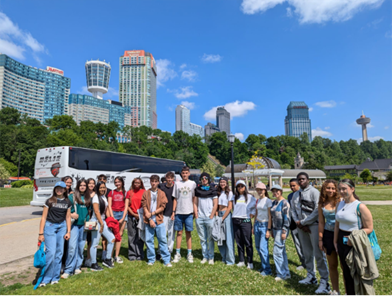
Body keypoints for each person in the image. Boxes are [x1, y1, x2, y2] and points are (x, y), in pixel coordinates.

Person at [291, 172, 330, 294]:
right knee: (307, 252)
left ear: (308, 180)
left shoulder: (314, 192)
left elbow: (317, 210)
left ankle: (324, 281)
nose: (301, 181)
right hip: (301, 227)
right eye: (299, 180)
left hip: (314, 225)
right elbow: (293, 210)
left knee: (319, 254)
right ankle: (311, 276)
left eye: (303, 179)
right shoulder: (295, 195)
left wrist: (304, 221)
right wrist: (298, 222)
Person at [334, 179, 374, 296]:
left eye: (344, 189)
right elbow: (337, 225)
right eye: (340, 189)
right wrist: (335, 241)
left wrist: (353, 239)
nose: (341, 191)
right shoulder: (339, 204)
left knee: (357, 272)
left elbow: (369, 228)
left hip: (355, 242)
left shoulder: (360, 206)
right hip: (342, 241)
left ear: (352, 189)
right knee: (346, 272)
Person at [37, 181, 71, 287]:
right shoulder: (49, 201)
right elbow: (43, 217)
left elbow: (68, 217)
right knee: (51, 252)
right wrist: (41, 233)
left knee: (59, 253)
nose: (59, 190)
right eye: (57, 188)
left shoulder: (67, 202)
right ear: (55, 189)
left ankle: (55, 277)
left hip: (62, 227)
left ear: (65, 190)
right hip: (50, 227)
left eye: (62, 188)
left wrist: (68, 231)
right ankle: (45, 278)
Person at [62, 179, 91, 279]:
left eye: (84, 185)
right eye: (81, 185)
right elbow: (65, 211)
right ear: (78, 186)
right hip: (74, 225)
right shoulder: (72, 196)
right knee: (72, 247)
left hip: (83, 226)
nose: (82, 187)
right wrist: (71, 214)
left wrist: (88, 221)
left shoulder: (88, 197)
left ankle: (77, 266)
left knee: (80, 247)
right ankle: (68, 269)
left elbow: (89, 211)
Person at [141, 175, 172, 267]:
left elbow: (163, 207)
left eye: (155, 181)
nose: (153, 183)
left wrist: (152, 213)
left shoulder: (162, 193)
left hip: (159, 220)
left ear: (158, 182)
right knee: (149, 240)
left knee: (162, 240)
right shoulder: (146, 193)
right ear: (150, 182)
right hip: (148, 221)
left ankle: (166, 260)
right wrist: (150, 218)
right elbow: (144, 206)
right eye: (152, 181)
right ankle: (151, 259)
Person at [318, 179, 341, 296]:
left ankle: (349, 291)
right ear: (324, 189)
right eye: (328, 188)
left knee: (344, 265)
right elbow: (321, 223)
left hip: (342, 234)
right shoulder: (321, 203)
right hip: (328, 235)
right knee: (332, 265)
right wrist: (320, 239)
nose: (330, 190)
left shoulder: (340, 201)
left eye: (333, 188)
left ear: (336, 189)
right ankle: (336, 290)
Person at [172, 166, 197, 263]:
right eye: (183, 173)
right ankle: (177, 253)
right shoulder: (177, 184)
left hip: (189, 212)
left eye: (186, 173)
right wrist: (173, 211)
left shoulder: (192, 184)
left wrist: (195, 211)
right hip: (179, 212)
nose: (185, 174)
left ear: (189, 174)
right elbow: (175, 198)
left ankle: (189, 253)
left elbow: (194, 198)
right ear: (181, 174)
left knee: (188, 233)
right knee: (179, 233)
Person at [89, 181, 115, 271]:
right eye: (100, 188)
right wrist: (102, 223)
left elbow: (106, 210)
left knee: (112, 239)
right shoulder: (96, 197)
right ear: (97, 188)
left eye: (104, 187)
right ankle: (93, 263)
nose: (102, 189)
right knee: (95, 244)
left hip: (103, 221)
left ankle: (107, 259)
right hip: (96, 221)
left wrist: (110, 220)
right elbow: (96, 212)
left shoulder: (104, 197)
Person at [194, 172, 218, 264]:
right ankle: (205, 256)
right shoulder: (197, 189)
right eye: (202, 178)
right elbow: (195, 203)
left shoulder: (213, 190)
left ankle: (211, 257)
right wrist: (196, 214)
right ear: (200, 179)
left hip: (209, 217)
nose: (204, 179)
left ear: (208, 179)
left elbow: (215, 203)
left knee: (210, 238)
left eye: (206, 178)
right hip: (200, 217)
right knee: (202, 238)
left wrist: (212, 215)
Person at [232, 180, 256, 269]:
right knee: (239, 242)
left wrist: (252, 213)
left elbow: (254, 207)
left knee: (247, 242)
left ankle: (250, 262)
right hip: (236, 220)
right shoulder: (234, 197)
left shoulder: (250, 197)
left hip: (245, 221)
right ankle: (241, 260)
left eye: (242, 186)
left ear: (245, 187)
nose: (240, 188)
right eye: (238, 186)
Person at [270, 184, 291, 281]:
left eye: (277, 191)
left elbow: (287, 218)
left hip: (281, 229)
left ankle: (280, 274)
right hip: (275, 229)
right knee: (282, 252)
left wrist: (284, 231)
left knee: (277, 252)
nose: (275, 193)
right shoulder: (274, 202)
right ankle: (286, 273)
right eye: (273, 191)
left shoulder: (284, 203)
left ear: (281, 191)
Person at [253, 182, 272, 276]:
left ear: (264, 190)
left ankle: (267, 269)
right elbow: (256, 213)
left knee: (263, 248)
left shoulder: (268, 201)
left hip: (265, 225)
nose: (259, 191)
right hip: (257, 224)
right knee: (257, 247)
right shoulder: (257, 201)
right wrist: (254, 226)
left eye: (261, 190)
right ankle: (263, 266)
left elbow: (270, 216)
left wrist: (268, 229)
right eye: (258, 190)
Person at [108, 176, 129, 264]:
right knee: (113, 236)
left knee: (119, 235)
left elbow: (126, 206)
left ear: (122, 183)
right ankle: (110, 256)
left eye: (119, 182)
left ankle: (116, 256)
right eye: (116, 182)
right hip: (114, 214)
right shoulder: (111, 192)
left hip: (122, 214)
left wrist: (123, 218)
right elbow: (109, 205)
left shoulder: (126, 193)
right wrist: (112, 217)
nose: (117, 184)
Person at [287, 178, 306, 270]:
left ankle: (310, 262)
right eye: (291, 186)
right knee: (297, 244)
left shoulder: (304, 195)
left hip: (304, 224)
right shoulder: (290, 196)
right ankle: (303, 262)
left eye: (294, 185)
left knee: (306, 245)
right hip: (294, 224)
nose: (292, 187)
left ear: (299, 185)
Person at [216, 176, 235, 266]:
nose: (222, 183)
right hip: (219, 214)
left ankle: (230, 260)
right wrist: (217, 215)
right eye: (221, 182)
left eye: (224, 182)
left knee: (228, 238)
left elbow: (230, 207)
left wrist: (223, 217)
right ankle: (223, 256)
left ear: (226, 183)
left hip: (226, 215)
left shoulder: (229, 193)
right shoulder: (218, 192)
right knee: (220, 238)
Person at [126, 177, 146, 261]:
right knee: (131, 235)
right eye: (135, 182)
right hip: (131, 215)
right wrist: (133, 214)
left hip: (140, 216)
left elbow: (145, 204)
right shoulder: (129, 192)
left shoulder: (144, 192)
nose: (137, 184)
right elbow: (127, 205)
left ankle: (140, 254)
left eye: (138, 183)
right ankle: (132, 255)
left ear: (141, 184)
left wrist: (139, 215)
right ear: (133, 183)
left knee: (140, 236)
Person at [158, 172, 176, 256]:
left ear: (173, 179)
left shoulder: (175, 188)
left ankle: (169, 250)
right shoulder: (162, 187)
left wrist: (174, 212)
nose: (169, 179)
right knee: (162, 233)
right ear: (166, 178)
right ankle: (160, 250)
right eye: (168, 178)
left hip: (172, 213)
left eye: (171, 178)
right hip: (163, 213)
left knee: (171, 233)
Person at [84, 178, 96, 268]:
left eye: (93, 183)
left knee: (91, 240)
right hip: (85, 219)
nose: (91, 185)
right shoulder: (84, 194)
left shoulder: (96, 194)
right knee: (82, 239)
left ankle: (89, 258)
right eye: (90, 183)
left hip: (93, 220)